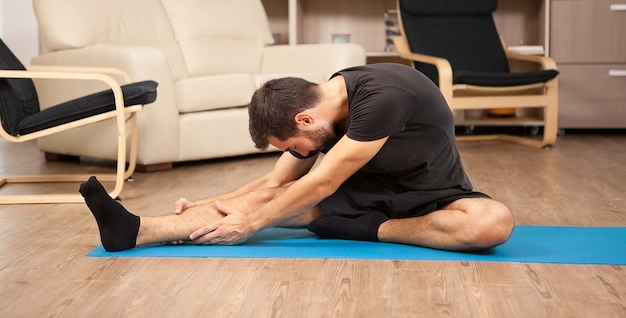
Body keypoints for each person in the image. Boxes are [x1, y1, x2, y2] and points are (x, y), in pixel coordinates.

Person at [80, 63, 514, 253]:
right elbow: (273, 184)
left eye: (292, 145)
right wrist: (206, 202)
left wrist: (250, 224)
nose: (296, 154)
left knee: (492, 223)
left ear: (304, 119)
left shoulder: (383, 97)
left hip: (432, 199)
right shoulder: (323, 107)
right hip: (358, 198)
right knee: (278, 197)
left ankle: (366, 230)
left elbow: (321, 183)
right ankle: (135, 229)